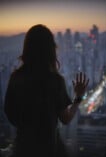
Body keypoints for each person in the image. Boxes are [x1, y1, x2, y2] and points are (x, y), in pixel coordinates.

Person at [4, 24, 89, 157]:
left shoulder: (16, 77)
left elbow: (10, 114)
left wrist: (28, 123)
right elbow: (65, 119)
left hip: (22, 149)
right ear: (51, 50)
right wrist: (78, 97)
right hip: (48, 150)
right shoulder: (55, 81)